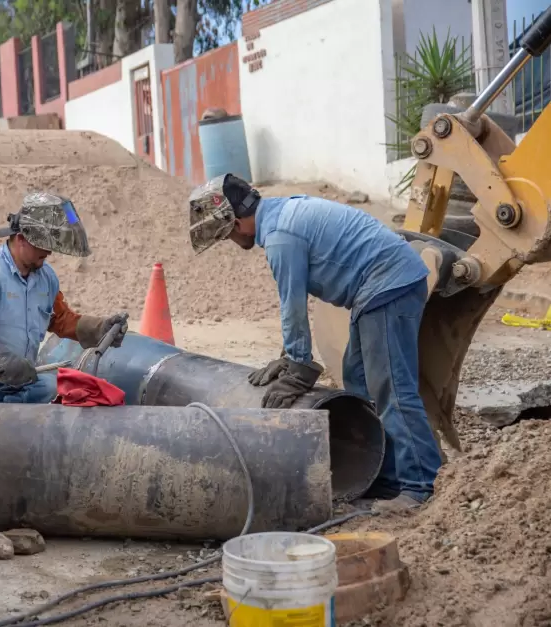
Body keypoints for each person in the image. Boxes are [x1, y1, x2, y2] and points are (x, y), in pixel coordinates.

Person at [187, 173, 443, 513]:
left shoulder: (280, 237)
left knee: (392, 388)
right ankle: (390, 476)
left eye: (227, 236)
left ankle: (418, 486)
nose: (233, 241)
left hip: (388, 285)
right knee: (359, 379)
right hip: (380, 286)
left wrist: (297, 366)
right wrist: (289, 355)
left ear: (234, 222)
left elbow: (291, 304)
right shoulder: (282, 214)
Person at [0, 193, 129, 404]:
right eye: (42, 246)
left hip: (21, 378)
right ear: (22, 239)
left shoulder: (46, 278)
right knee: (43, 400)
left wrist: (99, 328)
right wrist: (2, 361)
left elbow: (60, 319)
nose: (49, 252)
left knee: (71, 393)